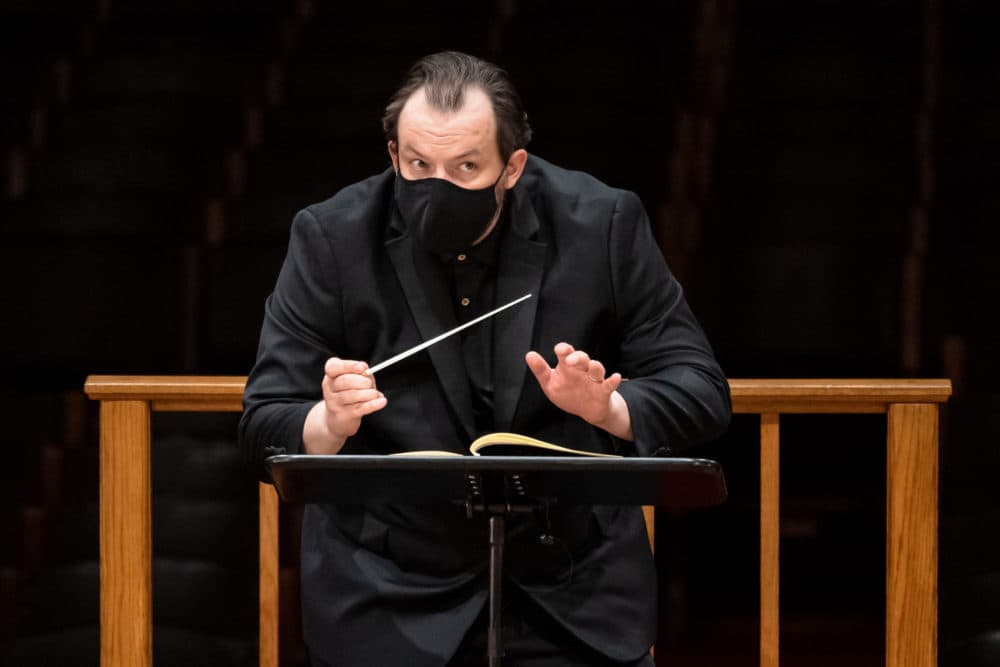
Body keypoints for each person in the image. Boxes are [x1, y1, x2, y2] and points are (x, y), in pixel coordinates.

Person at [240, 51, 731, 667]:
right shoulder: (331, 237)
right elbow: (263, 424)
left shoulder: (601, 223)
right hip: (389, 596)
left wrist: (609, 408)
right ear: (393, 154)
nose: (438, 184)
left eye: (467, 166)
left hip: (572, 594)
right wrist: (327, 421)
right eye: (419, 164)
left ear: (513, 165)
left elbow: (701, 393)